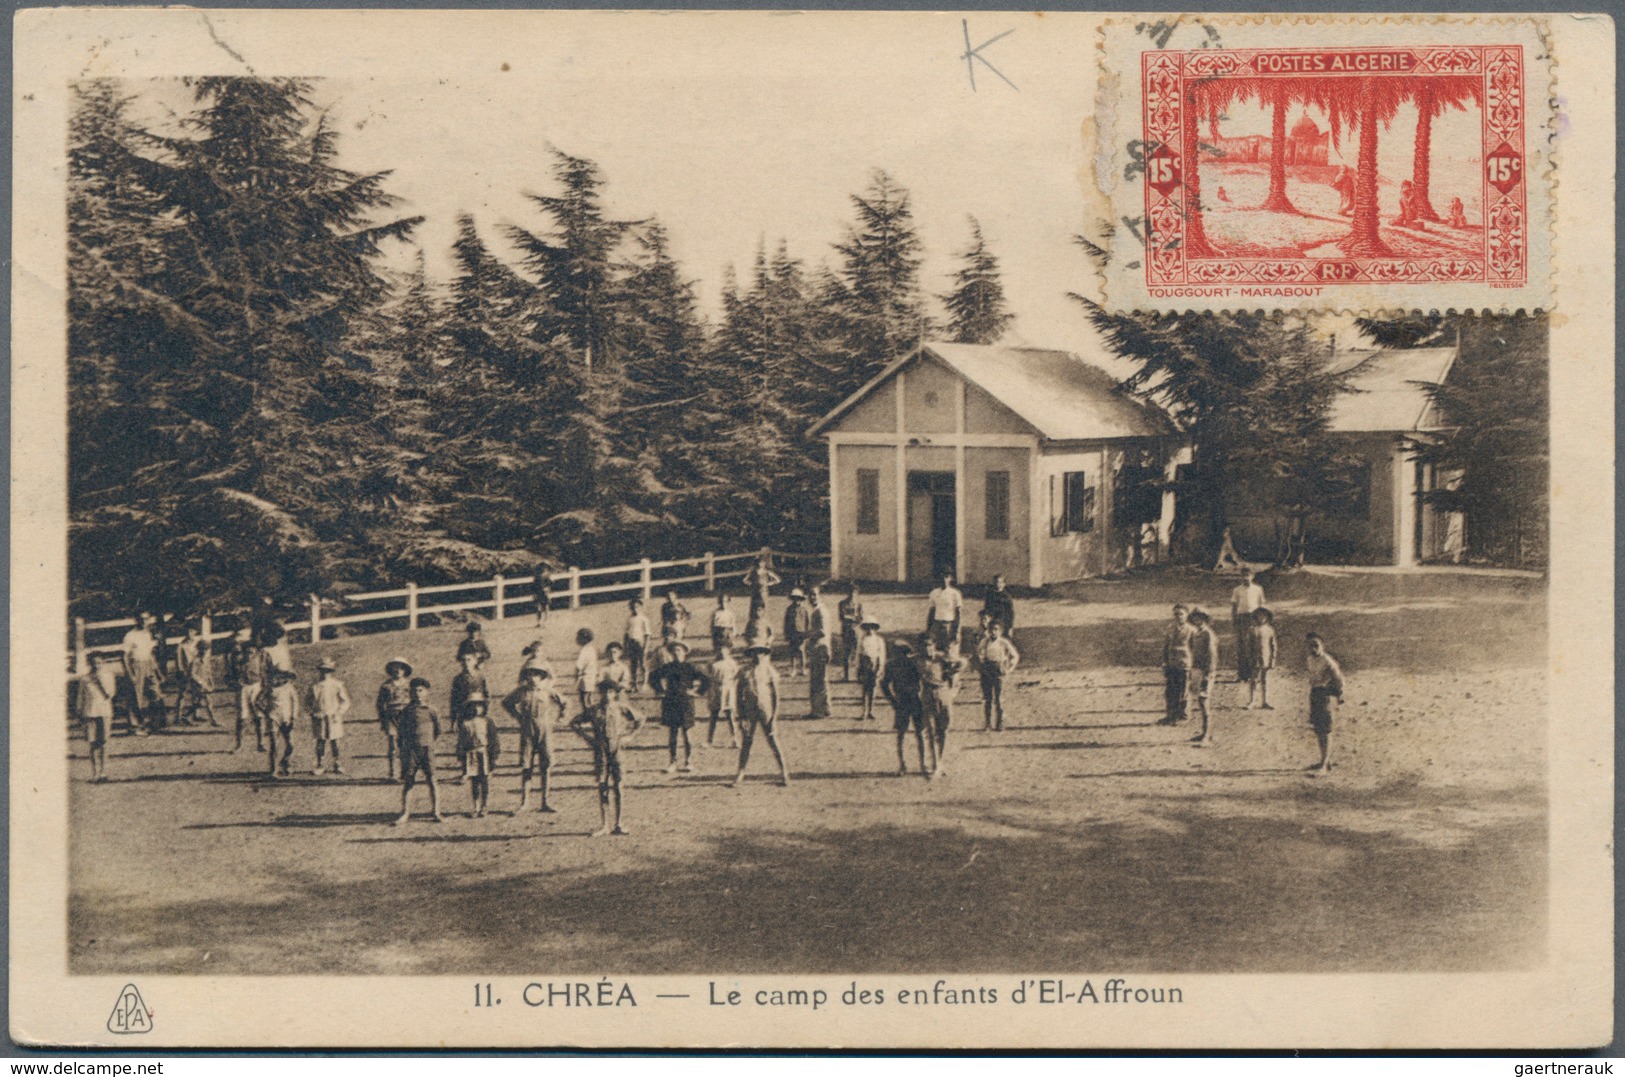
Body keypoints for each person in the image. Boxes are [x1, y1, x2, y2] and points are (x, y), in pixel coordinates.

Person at [571, 678, 644, 836]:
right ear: (600, 692)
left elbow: (640, 719)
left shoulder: (621, 708)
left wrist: (629, 736)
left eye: (611, 692)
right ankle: (605, 824)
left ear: (615, 694)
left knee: (618, 785)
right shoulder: (594, 710)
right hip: (601, 750)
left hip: (617, 748)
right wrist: (587, 737)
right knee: (602, 785)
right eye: (604, 691)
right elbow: (574, 722)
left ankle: (619, 823)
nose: (607, 695)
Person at [504, 662, 567, 813]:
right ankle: (525, 802)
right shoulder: (521, 691)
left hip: (545, 730)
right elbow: (507, 703)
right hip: (527, 730)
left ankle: (545, 801)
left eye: (536, 674)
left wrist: (560, 719)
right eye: (530, 674)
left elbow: (564, 702)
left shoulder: (547, 691)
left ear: (541, 677)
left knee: (545, 766)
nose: (533, 678)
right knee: (527, 766)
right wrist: (518, 716)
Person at [649, 639, 712, 775]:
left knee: (687, 733)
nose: (676, 653)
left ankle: (689, 761)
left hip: (686, 702)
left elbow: (706, 679)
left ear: (684, 652)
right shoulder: (668, 667)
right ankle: (673, 762)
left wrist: (696, 692)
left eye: (679, 650)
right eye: (674, 651)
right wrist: (661, 690)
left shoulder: (691, 667)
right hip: (671, 701)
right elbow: (653, 676)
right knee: (673, 734)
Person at [733, 644, 791, 787]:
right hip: (749, 710)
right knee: (747, 741)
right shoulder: (745, 671)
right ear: (751, 655)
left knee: (773, 740)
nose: (758, 655)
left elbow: (776, 696)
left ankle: (784, 773)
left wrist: (774, 717)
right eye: (754, 653)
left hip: (766, 709)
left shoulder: (769, 670)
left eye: (761, 653)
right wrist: (741, 716)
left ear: (765, 655)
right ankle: (740, 773)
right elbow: (739, 695)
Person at [393, 676, 445, 824]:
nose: (417, 694)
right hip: (410, 751)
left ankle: (436, 812)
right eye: (414, 691)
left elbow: (438, 731)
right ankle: (405, 813)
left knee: (432, 779)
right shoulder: (406, 711)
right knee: (408, 781)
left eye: (420, 690)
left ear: (427, 692)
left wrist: (427, 743)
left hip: (427, 749)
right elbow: (401, 732)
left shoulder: (431, 710)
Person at [881, 641, 933, 777]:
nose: (903, 656)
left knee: (920, 733)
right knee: (901, 734)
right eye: (900, 653)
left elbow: (925, 678)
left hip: (916, 701)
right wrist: (893, 701)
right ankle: (902, 765)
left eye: (905, 653)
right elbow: (884, 684)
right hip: (902, 702)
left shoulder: (914, 664)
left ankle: (923, 765)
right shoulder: (891, 666)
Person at [72, 651, 121, 782]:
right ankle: (95, 773)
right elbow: (80, 698)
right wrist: (79, 712)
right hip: (89, 713)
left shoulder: (109, 676)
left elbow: (110, 694)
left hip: (104, 713)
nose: (96, 665)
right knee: (93, 744)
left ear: (103, 663)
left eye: (99, 663)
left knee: (104, 743)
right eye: (94, 663)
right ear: (90, 664)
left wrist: (100, 681)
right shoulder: (85, 678)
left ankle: (104, 772)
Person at [920, 639, 964, 779]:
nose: (928, 649)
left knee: (944, 730)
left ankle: (941, 760)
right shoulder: (919, 661)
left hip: (944, 694)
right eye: (925, 646)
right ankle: (935, 764)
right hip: (928, 695)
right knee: (931, 730)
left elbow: (962, 664)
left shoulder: (943, 659)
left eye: (930, 645)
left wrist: (952, 692)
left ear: (934, 646)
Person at [1305, 633, 1346, 776]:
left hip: (1326, 694)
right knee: (1318, 729)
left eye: (1316, 645)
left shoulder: (1327, 660)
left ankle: (1324, 765)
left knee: (1326, 729)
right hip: (1315, 693)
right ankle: (1324, 760)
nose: (1313, 648)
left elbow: (1339, 678)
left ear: (1323, 646)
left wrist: (1340, 695)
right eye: (1310, 645)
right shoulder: (1310, 659)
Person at [121, 611, 165, 735]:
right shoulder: (130, 635)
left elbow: (150, 654)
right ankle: (134, 726)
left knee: (155, 692)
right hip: (136, 665)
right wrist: (131, 674)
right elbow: (125, 657)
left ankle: (154, 722)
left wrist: (158, 671)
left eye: (146, 619)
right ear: (136, 620)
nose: (144, 622)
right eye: (141, 619)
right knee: (136, 696)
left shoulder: (148, 634)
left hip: (148, 665)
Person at [449, 650, 489, 783]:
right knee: (465, 743)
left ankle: (484, 770)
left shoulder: (480, 676)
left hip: (478, 712)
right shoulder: (458, 679)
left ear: (475, 661)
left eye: (469, 660)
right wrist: (453, 718)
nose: (466, 663)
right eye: (464, 661)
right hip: (463, 713)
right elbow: (453, 699)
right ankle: (466, 771)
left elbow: (486, 694)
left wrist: (485, 711)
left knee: (481, 741)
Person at [976, 617, 1021, 732]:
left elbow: (1014, 656)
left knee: (999, 699)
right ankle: (987, 723)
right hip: (987, 670)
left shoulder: (1003, 642)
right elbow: (978, 654)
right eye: (991, 629)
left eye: (996, 629)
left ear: (1000, 631)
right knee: (987, 699)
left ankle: (1000, 723)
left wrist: (1008, 669)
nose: (993, 632)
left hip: (998, 670)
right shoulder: (984, 641)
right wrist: (982, 663)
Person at [308, 657, 351, 775]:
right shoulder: (315, 686)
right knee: (320, 741)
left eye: (327, 670)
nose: (325, 673)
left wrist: (338, 713)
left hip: (333, 717)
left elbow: (345, 701)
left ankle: (338, 763)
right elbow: (307, 702)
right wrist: (314, 712)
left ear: (331, 671)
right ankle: (320, 764)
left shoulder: (337, 685)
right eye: (322, 670)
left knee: (335, 742)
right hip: (320, 717)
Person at [173, 621, 220, 727]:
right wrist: (183, 672)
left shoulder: (197, 643)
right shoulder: (181, 645)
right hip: (186, 673)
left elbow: (202, 658)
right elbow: (179, 661)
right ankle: (178, 717)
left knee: (197, 696)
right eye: (188, 631)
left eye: (192, 631)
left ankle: (194, 715)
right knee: (183, 695)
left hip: (197, 671)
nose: (190, 633)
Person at [227, 627, 267, 753]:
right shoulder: (235, 656)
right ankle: (239, 745)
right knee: (242, 717)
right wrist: (235, 682)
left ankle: (261, 743)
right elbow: (230, 674)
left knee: (259, 716)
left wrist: (264, 687)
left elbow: (264, 670)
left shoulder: (260, 654)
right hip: (243, 687)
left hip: (256, 685)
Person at [375, 657, 414, 782]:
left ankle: (405, 772)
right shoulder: (386, 686)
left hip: (406, 717)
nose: (397, 670)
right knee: (392, 745)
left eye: (401, 668)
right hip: (391, 717)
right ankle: (392, 772)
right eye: (395, 667)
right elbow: (380, 705)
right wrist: (383, 720)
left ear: (405, 670)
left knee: (405, 745)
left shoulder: (410, 684)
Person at [463, 696, 501, 818]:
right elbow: (462, 743)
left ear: (483, 707)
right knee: (474, 781)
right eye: (473, 706)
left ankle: (484, 806)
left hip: (484, 753)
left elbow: (494, 740)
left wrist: (493, 758)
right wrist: (462, 759)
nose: (476, 708)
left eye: (479, 705)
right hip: (471, 754)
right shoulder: (466, 723)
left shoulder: (487, 722)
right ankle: (476, 806)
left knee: (484, 781)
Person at [1187, 609, 1220, 746]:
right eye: (1195, 618)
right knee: (1200, 701)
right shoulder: (1196, 633)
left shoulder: (1208, 634)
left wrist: (1208, 674)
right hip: (1196, 669)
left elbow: (1212, 656)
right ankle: (1205, 732)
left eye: (1200, 618)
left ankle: (1207, 736)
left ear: (1205, 619)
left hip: (1206, 671)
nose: (1197, 620)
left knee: (1204, 700)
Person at [1159, 604, 1196, 726]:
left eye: (1181, 614)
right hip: (1171, 663)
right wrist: (1165, 662)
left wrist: (1193, 664)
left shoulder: (1192, 630)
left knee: (1184, 690)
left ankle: (1184, 715)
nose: (1178, 616)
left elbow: (1194, 648)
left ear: (1186, 615)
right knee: (1170, 690)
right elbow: (1166, 646)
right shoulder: (1170, 628)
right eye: (1176, 614)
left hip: (1185, 663)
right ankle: (1171, 715)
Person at [1229, 568, 1266, 681]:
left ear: (1252, 576)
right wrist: (1234, 619)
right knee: (1242, 646)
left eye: (1248, 575)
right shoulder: (1237, 590)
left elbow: (1261, 606)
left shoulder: (1258, 589)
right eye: (1243, 575)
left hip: (1254, 618)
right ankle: (1242, 674)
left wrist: (1262, 620)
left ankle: (1254, 674)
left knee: (1254, 644)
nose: (1246, 577)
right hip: (1242, 618)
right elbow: (1234, 606)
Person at [264, 667, 300, 778]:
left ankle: (286, 761)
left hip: (286, 719)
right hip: (273, 718)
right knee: (274, 745)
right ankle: (273, 770)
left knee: (291, 745)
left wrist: (293, 718)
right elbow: (257, 701)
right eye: (274, 676)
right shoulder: (269, 688)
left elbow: (295, 703)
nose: (276, 679)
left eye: (280, 676)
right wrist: (266, 712)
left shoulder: (289, 688)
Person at [706, 642, 741, 748]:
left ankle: (735, 739)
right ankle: (709, 740)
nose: (722, 653)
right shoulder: (712, 664)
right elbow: (708, 678)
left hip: (728, 689)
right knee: (714, 715)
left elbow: (736, 676)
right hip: (715, 690)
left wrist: (733, 687)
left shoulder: (732, 663)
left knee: (730, 715)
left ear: (728, 652)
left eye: (724, 651)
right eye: (719, 651)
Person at [1245, 607, 1278, 710]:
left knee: (1264, 680)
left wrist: (1273, 660)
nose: (1261, 618)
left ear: (1267, 618)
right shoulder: (1252, 629)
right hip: (1255, 658)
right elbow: (1248, 645)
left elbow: (1273, 646)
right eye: (1259, 616)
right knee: (1254, 680)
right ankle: (1252, 701)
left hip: (1265, 658)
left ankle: (1265, 701)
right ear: (1256, 617)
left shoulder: (1270, 630)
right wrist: (1249, 657)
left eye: (1263, 616)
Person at [855, 619, 886, 721]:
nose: (870, 630)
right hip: (865, 664)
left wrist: (880, 668)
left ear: (875, 628)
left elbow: (882, 655)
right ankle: (864, 711)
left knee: (872, 689)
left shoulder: (879, 640)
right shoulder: (862, 639)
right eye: (867, 627)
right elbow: (859, 654)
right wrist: (858, 667)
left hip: (875, 664)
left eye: (872, 627)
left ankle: (871, 711)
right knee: (865, 689)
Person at [925, 573, 963, 653]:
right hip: (936, 625)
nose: (944, 580)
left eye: (946, 577)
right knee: (936, 651)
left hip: (949, 625)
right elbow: (932, 611)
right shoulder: (934, 593)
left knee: (950, 651)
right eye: (941, 577)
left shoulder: (955, 593)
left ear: (950, 578)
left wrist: (957, 631)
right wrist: (928, 629)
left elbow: (958, 614)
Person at [805, 620, 832, 720]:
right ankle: (826, 709)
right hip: (820, 669)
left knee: (817, 689)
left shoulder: (817, 646)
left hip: (818, 669)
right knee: (823, 688)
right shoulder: (822, 646)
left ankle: (818, 711)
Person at [836, 583, 864, 680]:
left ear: (857, 593)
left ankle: (858, 676)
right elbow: (841, 617)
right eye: (851, 592)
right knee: (846, 653)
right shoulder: (842, 603)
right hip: (846, 631)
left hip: (856, 631)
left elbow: (861, 618)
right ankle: (846, 676)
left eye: (855, 592)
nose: (852, 594)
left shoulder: (859, 605)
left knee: (857, 654)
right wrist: (853, 618)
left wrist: (852, 618)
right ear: (848, 593)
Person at [623, 599, 651, 692]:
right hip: (632, 643)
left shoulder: (644, 619)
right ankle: (634, 685)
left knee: (643, 663)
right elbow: (626, 633)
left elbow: (647, 634)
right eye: (633, 607)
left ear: (641, 607)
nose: (635, 609)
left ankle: (645, 683)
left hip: (640, 643)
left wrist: (646, 647)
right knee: (633, 665)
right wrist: (625, 646)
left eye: (637, 607)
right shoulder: (629, 619)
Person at [782, 589, 811, 677]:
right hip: (792, 632)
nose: (796, 600)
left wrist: (807, 633)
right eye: (795, 598)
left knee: (801, 651)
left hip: (801, 633)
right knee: (792, 652)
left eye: (798, 599)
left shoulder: (804, 609)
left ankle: (803, 669)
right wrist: (786, 633)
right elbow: (786, 622)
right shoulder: (789, 609)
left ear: (801, 599)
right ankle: (793, 669)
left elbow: (807, 621)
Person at [743, 555, 780, 621]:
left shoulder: (767, 572)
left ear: (765, 564)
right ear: (758, 563)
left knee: (763, 605)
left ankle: (763, 620)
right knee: (754, 605)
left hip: (764, 591)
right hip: (755, 591)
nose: (761, 564)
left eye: (763, 563)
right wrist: (751, 583)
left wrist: (770, 583)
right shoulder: (754, 572)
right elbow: (745, 580)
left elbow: (778, 579)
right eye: (760, 562)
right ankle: (754, 620)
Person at [574, 627, 600, 717]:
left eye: (578, 637)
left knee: (585, 700)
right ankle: (590, 716)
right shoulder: (592, 649)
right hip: (591, 677)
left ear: (584, 639)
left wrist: (576, 677)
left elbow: (578, 665)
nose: (576, 639)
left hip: (585, 678)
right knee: (589, 698)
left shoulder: (584, 650)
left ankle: (590, 717)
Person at [533, 563, 554, 628]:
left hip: (542, 594)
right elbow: (536, 587)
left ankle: (544, 622)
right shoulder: (538, 578)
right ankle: (540, 622)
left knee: (544, 608)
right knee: (540, 608)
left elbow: (550, 584)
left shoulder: (546, 578)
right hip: (540, 594)